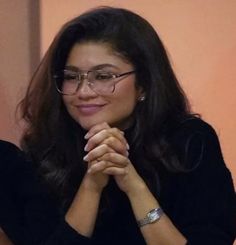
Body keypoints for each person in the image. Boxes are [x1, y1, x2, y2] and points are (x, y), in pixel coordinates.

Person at [1, 6, 235, 245]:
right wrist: (92, 187)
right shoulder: (46, 149)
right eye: (71, 77)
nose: (83, 92)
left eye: (103, 77)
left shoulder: (189, 142)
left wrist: (134, 186)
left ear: (143, 84)